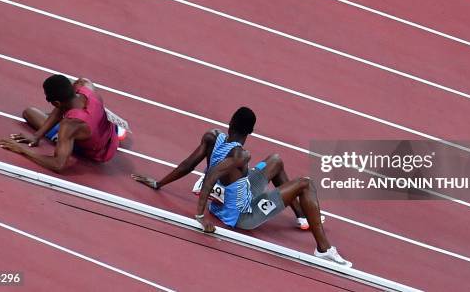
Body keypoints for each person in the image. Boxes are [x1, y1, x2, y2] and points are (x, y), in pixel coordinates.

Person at [132, 107, 351, 267]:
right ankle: (323, 249)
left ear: (230, 122)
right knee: (306, 183)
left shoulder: (213, 137)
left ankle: (302, 216)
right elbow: (210, 178)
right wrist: (199, 217)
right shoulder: (240, 155)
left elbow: (188, 165)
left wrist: (159, 182)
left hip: (231, 196)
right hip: (242, 215)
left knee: (275, 160)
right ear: (251, 131)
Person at [0, 74, 125, 172]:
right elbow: (62, 106)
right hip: (107, 131)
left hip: (98, 152)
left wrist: (22, 150)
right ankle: (115, 129)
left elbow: (58, 164)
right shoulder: (86, 87)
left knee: (31, 114)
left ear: (56, 103)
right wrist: (36, 136)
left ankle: (78, 133)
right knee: (31, 112)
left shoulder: (68, 126)